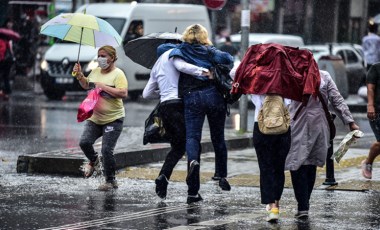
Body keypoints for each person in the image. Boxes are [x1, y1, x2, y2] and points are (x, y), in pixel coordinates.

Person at [169, 24, 234, 204]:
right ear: (204, 36)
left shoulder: (180, 50)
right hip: (213, 96)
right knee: (218, 137)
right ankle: (221, 175)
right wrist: (211, 52)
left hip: (192, 97)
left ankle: (193, 175)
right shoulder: (209, 51)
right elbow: (228, 59)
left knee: (193, 137)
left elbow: (165, 51)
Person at [286, 70, 359, 219]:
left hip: (296, 124)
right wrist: (350, 122)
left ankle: (303, 205)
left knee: (297, 163)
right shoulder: (323, 75)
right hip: (318, 125)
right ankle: (304, 204)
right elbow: (337, 100)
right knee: (310, 164)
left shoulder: (291, 75)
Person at [142, 43, 211, 199]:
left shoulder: (156, 65)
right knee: (192, 143)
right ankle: (192, 191)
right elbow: (183, 66)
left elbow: (146, 94)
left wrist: (163, 93)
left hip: (166, 107)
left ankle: (163, 176)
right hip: (179, 105)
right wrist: (204, 72)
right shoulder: (173, 55)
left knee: (178, 147)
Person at [72, 45, 128, 191]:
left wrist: (104, 86)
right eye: (99, 55)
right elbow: (86, 85)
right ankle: (95, 162)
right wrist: (79, 75)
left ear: (112, 58)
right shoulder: (95, 71)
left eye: (103, 56)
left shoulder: (118, 74)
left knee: (107, 150)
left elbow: (123, 93)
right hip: (95, 118)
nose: (100, 59)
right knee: (84, 142)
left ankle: (110, 180)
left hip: (113, 119)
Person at [362, 63, 380, 179]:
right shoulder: (376, 68)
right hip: (378, 111)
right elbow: (370, 88)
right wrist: (370, 106)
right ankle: (367, 162)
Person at [0, 19, 16, 100]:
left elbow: (2, 52)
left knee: (2, 76)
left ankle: (3, 91)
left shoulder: (2, 42)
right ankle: (7, 91)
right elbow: (10, 51)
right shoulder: (7, 41)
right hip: (8, 61)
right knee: (6, 76)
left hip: (3, 61)